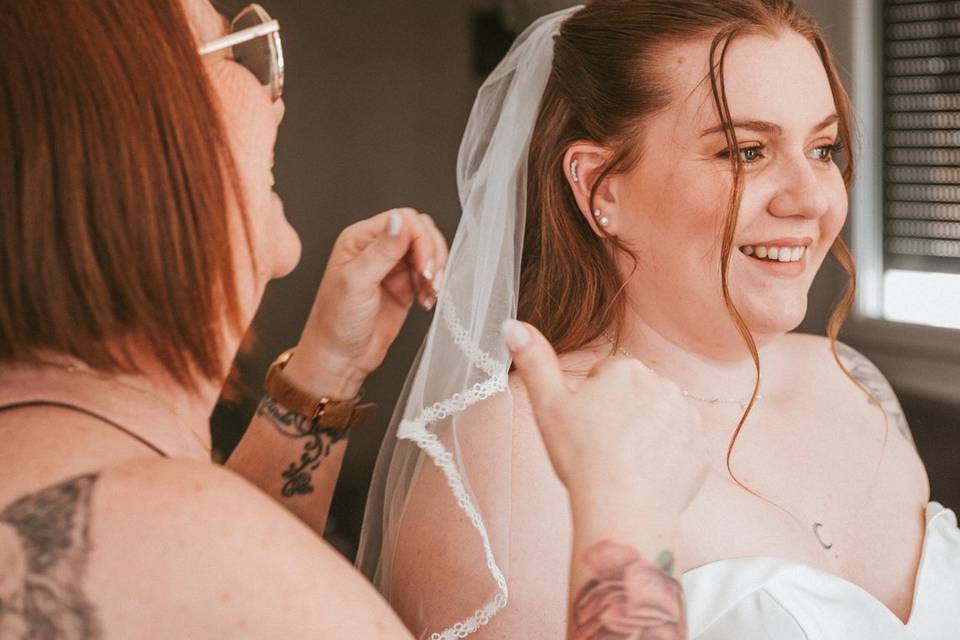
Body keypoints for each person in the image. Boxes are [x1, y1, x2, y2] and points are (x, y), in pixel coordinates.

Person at [0, 1, 707, 638]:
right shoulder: (179, 536)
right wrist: (626, 528)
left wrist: (322, 378)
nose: (273, 97)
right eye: (238, 52)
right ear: (126, 137)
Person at [358, 1, 960, 639]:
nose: (811, 198)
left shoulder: (855, 381)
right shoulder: (508, 455)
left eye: (822, 148)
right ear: (601, 189)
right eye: (746, 151)